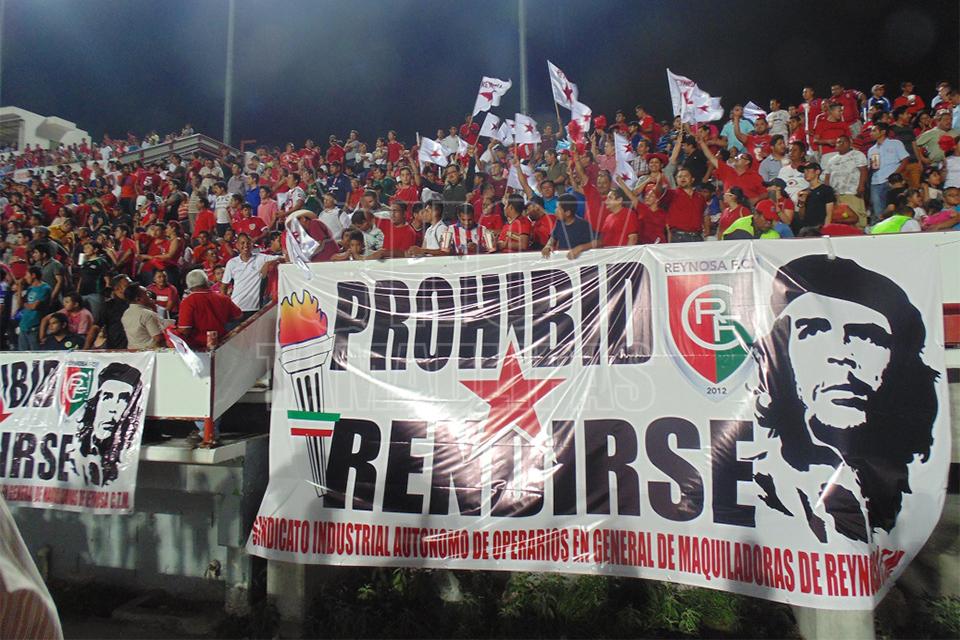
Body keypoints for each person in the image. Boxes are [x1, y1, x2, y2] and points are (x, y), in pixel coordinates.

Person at [749, 255, 938, 543]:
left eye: (867, 336)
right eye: (813, 331)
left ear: (898, 363)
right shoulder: (761, 484)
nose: (841, 355)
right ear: (781, 357)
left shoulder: (912, 486)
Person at [76, 362, 144, 486]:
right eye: (107, 397)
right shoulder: (75, 448)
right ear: (95, 403)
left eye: (124, 399)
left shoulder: (127, 451)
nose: (113, 408)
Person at [177, 269, 243, 350]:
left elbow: (184, 329)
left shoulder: (188, 301)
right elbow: (239, 316)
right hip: (222, 343)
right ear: (206, 282)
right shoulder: (223, 298)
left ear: (189, 285)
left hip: (199, 346)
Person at [221, 233, 281, 317]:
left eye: (248, 243)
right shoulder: (231, 263)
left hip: (254, 309)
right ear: (237, 245)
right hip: (236, 307)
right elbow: (224, 287)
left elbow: (283, 258)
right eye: (242, 243)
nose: (246, 245)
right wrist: (224, 306)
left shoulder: (261, 258)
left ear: (252, 245)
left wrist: (268, 263)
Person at [821, 134, 868, 227]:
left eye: (844, 141)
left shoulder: (857, 155)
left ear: (850, 143)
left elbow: (863, 170)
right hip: (836, 195)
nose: (841, 144)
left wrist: (861, 186)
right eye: (838, 142)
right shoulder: (831, 160)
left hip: (852, 193)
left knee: (857, 220)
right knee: (840, 220)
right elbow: (827, 177)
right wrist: (828, 194)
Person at [867, 123, 910, 223]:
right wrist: (872, 167)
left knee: (894, 208)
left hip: (892, 182)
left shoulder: (895, 143)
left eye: (874, 131)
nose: (871, 133)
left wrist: (894, 176)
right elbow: (870, 168)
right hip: (876, 182)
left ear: (883, 132)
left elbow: (905, 159)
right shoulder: (871, 150)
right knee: (878, 210)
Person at [542, 193, 595, 258]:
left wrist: (580, 248)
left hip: (580, 260)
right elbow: (553, 237)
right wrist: (548, 245)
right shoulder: (559, 222)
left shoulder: (583, 225)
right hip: (563, 259)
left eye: (558, 208)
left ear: (567, 213)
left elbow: (596, 243)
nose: (555, 210)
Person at [16, 267, 51, 351]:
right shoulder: (30, 288)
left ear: (33, 275)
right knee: (22, 354)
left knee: (35, 354)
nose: (25, 277)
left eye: (26, 275)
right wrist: (20, 287)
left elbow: (34, 306)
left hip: (35, 327)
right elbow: (19, 305)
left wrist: (26, 304)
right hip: (24, 326)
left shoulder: (45, 288)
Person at [793, 163, 835, 233]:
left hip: (820, 227)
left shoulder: (826, 190)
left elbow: (829, 214)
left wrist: (826, 229)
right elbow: (801, 216)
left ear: (817, 172)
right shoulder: (803, 192)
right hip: (807, 227)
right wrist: (802, 203)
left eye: (808, 171)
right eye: (804, 172)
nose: (805, 174)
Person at [121, 284, 165, 350]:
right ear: (138, 299)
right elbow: (158, 338)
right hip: (149, 352)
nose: (149, 296)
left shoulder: (126, 313)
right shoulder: (147, 314)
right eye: (146, 293)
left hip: (132, 351)